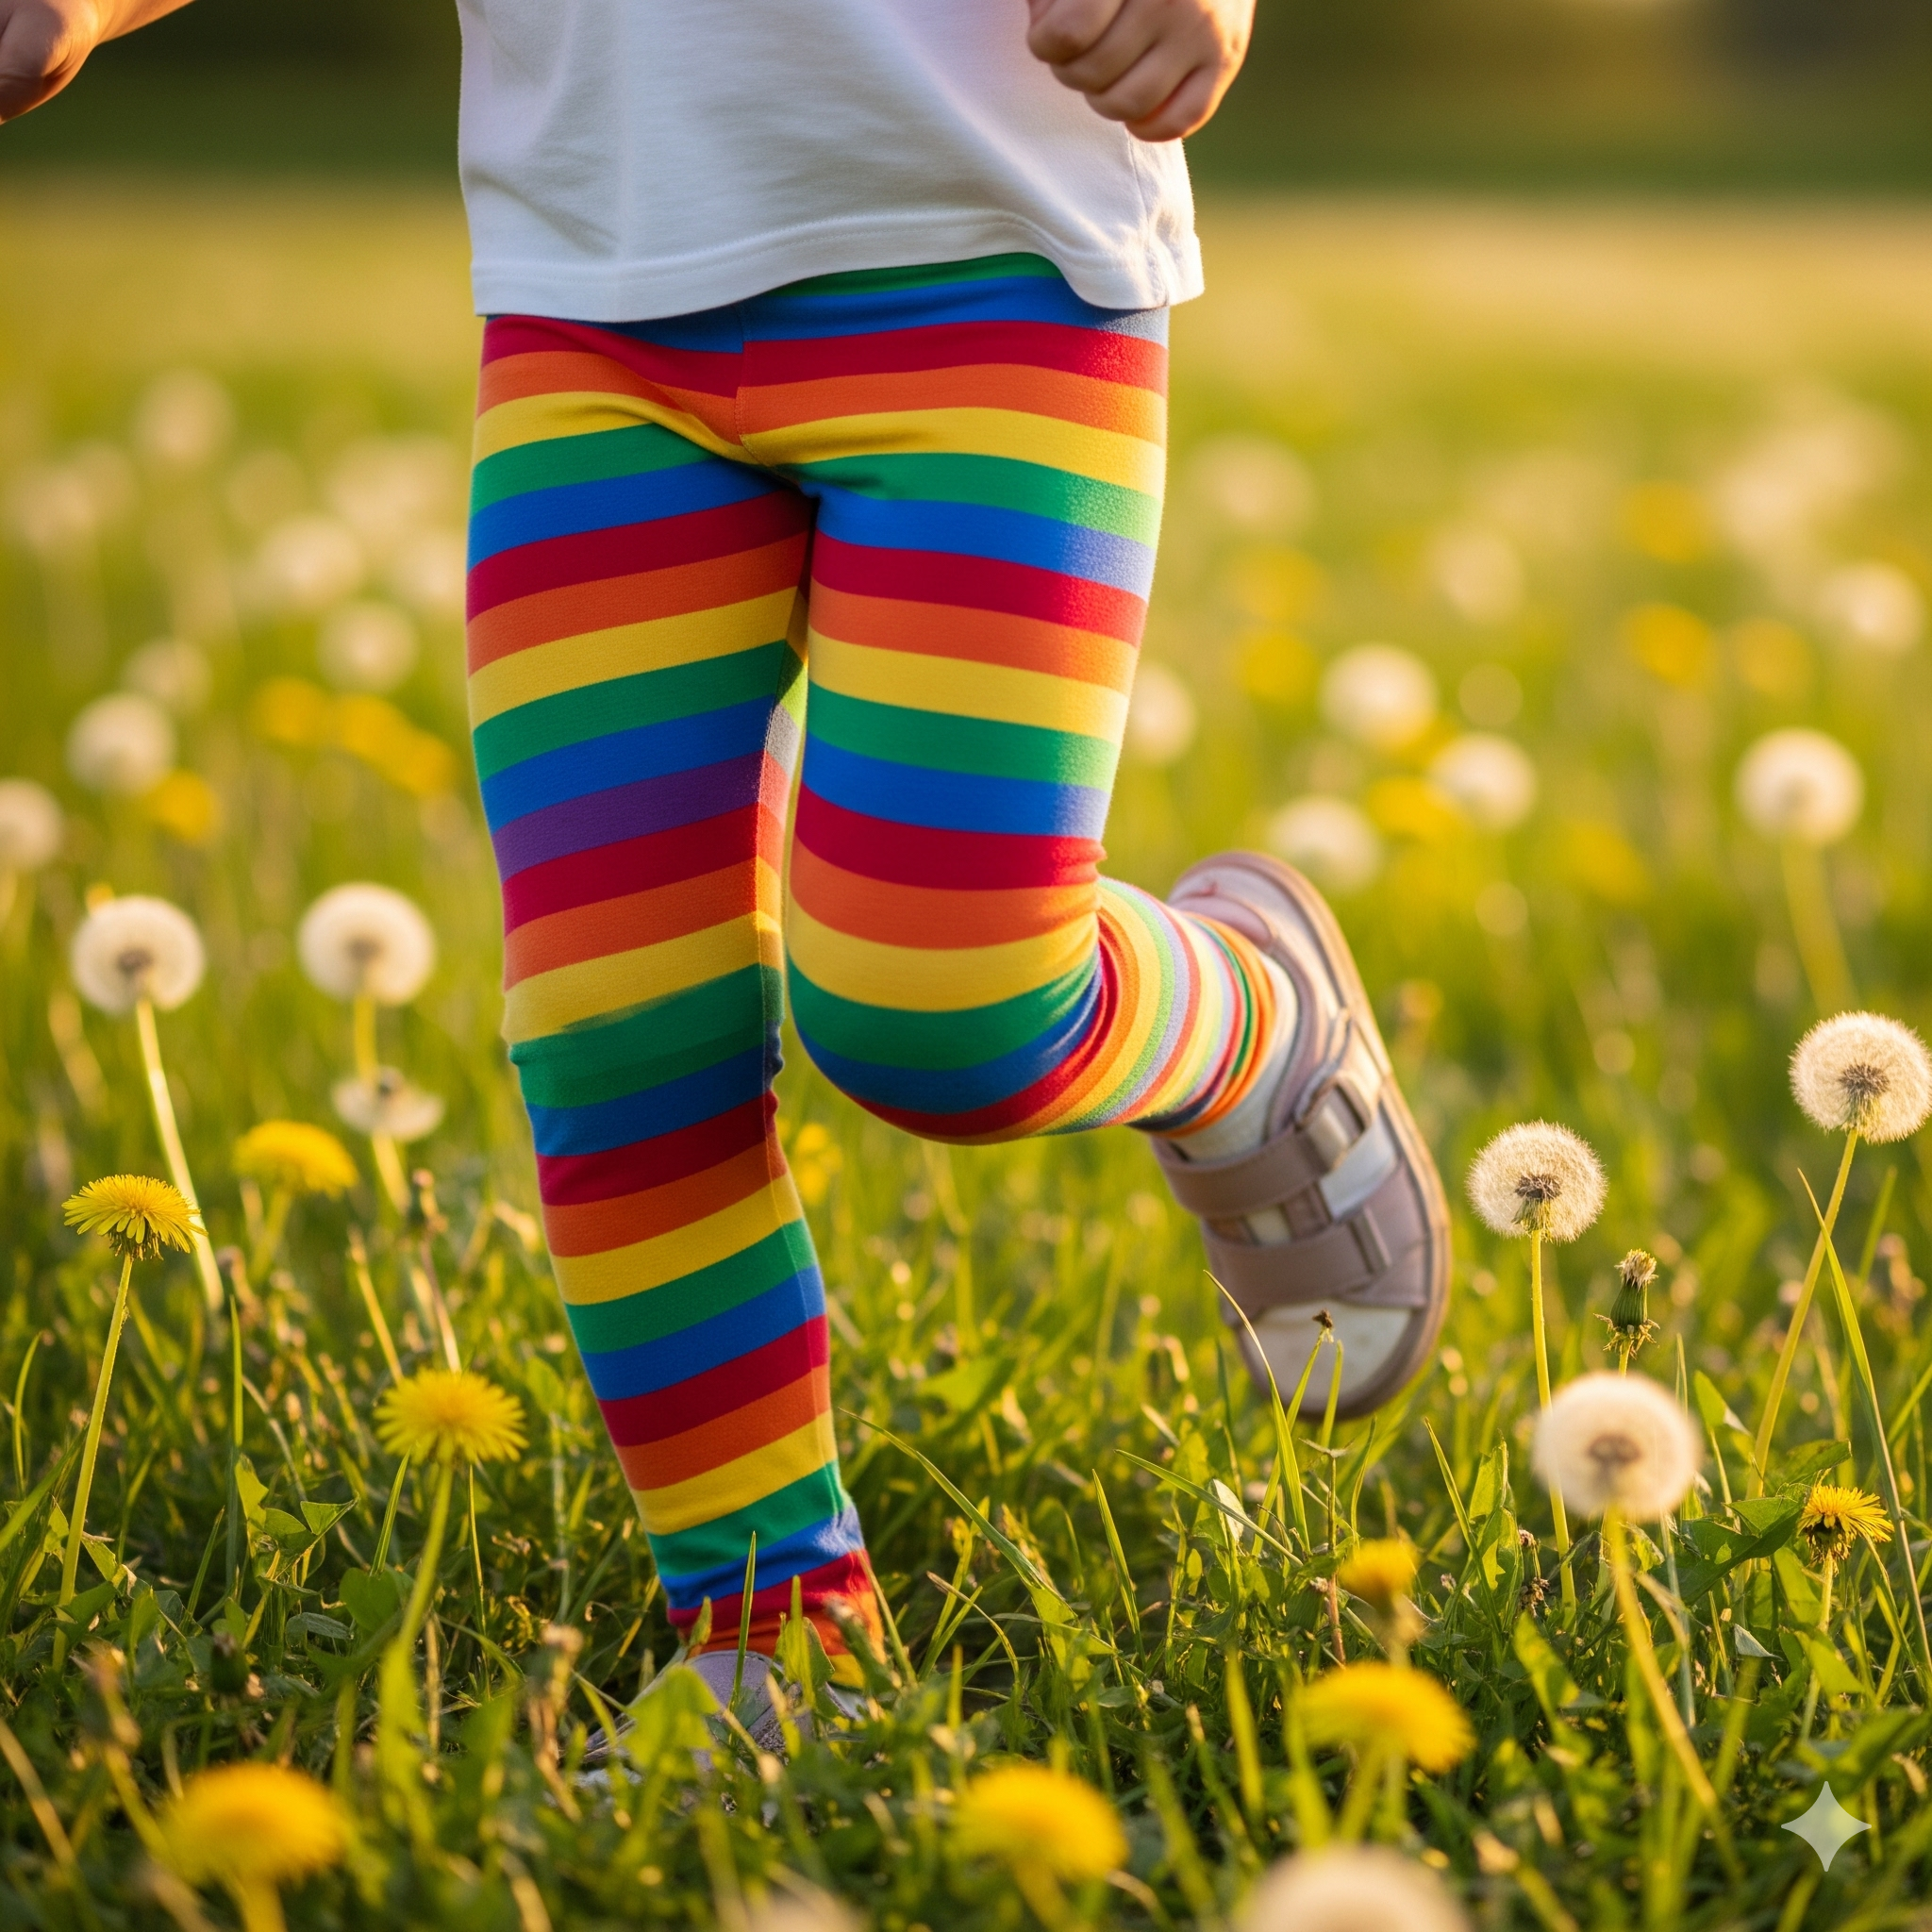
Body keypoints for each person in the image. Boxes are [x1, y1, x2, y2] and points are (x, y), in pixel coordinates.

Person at [2, 0, 1447, 1711]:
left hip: (986, 266)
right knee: (618, 1030)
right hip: (590, 315)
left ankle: (1253, 1026)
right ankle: (775, 1638)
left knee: (951, 1017)